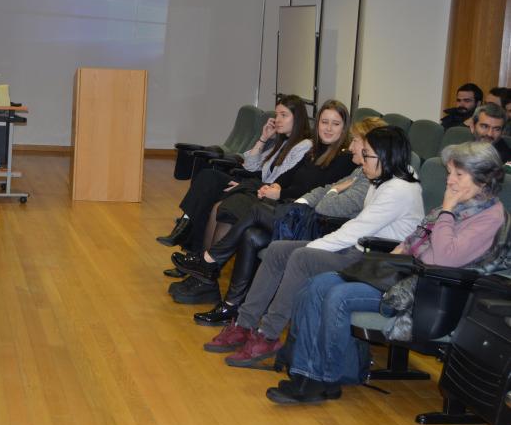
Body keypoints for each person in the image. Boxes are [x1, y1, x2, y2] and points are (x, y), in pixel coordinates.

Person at [267, 141, 507, 405]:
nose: (450, 181)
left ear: (483, 180)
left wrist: (447, 210)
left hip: (432, 293)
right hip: (406, 275)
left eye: (458, 175)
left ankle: (324, 378)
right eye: (449, 173)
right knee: (316, 284)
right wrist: (384, 266)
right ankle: (309, 374)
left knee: (338, 296)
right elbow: (412, 241)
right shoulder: (460, 204)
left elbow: (444, 258)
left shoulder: (488, 216)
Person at [204, 126, 424, 367]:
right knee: (278, 250)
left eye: (367, 154)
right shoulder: (384, 177)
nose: (362, 159)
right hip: (360, 251)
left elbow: (357, 229)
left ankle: (268, 335)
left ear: (385, 156)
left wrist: (313, 247)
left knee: (301, 257)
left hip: (376, 262)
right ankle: (244, 324)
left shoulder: (398, 190)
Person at [185, 117, 386, 324]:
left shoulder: (367, 178)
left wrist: (331, 191)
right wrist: (319, 196)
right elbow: (321, 191)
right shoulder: (358, 171)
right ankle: (231, 306)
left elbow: (328, 204)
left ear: (369, 145)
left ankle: (210, 260)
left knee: (255, 211)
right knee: (252, 235)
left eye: (354, 141)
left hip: (324, 230)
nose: (351, 146)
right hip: (311, 218)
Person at [169, 100, 355, 304]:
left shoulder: (344, 159)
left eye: (335, 124)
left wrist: (279, 192)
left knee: (233, 207)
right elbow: (288, 176)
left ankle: (205, 270)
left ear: (344, 128)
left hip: (301, 215)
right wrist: (275, 187)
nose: (328, 128)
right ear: (317, 123)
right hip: (285, 203)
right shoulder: (314, 152)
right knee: (227, 209)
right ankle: (205, 278)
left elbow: (317, 190)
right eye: (324, 122)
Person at [157, 95, 313, 256]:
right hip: (255, 185)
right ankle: (184, 230)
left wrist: (245, 186)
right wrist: (263, 138)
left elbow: (278, 180)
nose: (277, 119)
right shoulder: (283, 143)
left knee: (212, 196)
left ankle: (192, 250)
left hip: (264, 193)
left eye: (284, 115)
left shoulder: (304, 145)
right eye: (277, 114)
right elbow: (250, 165)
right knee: (208, 177)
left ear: (298, 118)